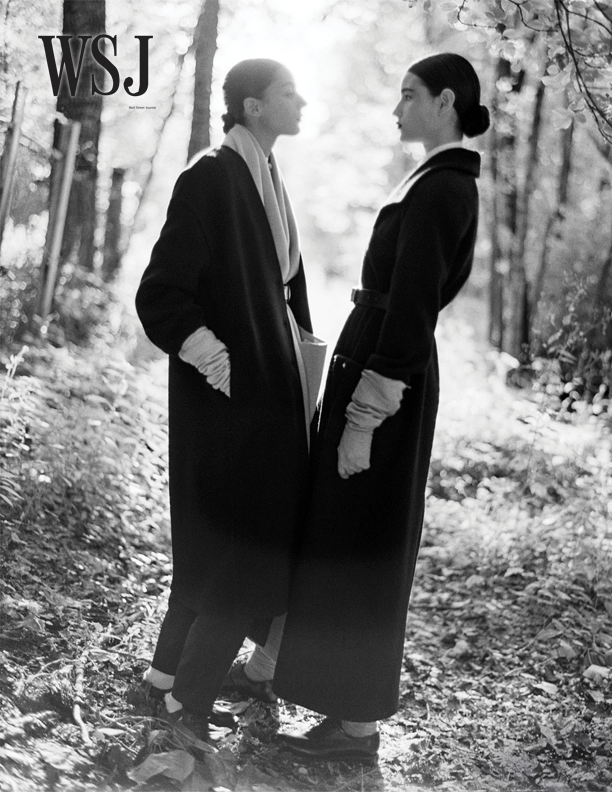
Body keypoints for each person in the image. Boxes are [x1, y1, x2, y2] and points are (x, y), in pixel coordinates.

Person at [271, 52, 491, 761]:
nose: (396, 109)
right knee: (349, 532)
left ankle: (357, 724)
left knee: (364, 539)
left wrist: (368, 413)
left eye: (409, 95)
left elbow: (414, 310)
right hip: (381, 361)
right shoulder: (434, 179)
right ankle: (343, 710)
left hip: (389, 374)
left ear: (446, 100)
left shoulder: (441, 188)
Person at [135, 58, 325, 743]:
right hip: (226, 404)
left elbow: (285, 289)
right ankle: (188, 706)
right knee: (236, 554)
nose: (300, 99)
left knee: (220, 551)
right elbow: (161, 294)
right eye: (287, 90)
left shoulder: (268, 178)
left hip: (270, 403)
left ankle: (162, 681)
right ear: (250, 106)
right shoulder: (211, 176)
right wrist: (218, 361)